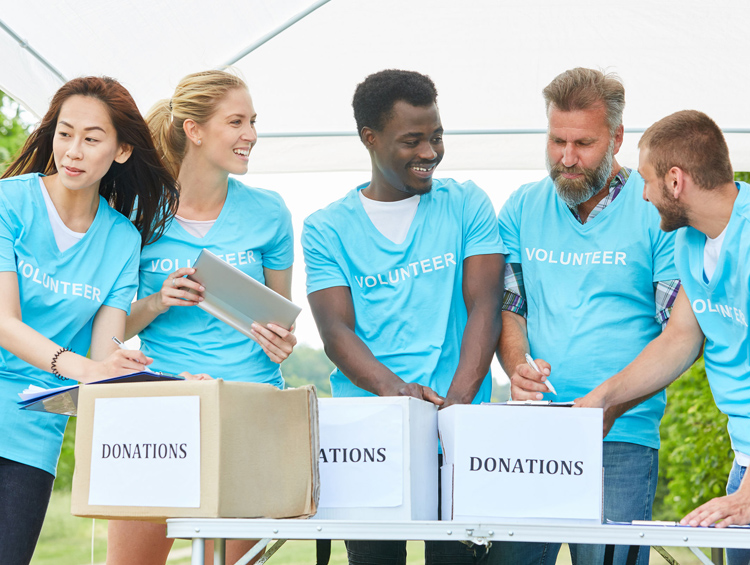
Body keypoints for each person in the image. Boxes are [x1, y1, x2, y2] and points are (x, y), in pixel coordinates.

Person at [302, 69, 505, 565]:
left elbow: (485, 305)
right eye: (412, 140)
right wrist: (398, 397)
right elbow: (335, 330)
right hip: (369, 431)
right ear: (369, 138)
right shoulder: (325, 228)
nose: (430, 152)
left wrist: (456, 407)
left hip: (458, 426)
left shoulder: (466, 204)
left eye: (436, 137)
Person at [106, 70, 297, 565]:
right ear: (193, 129)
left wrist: (283, 340)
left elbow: (281, 319)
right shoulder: (133, 211)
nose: (250, 135)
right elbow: (109, 332)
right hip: (161, 406)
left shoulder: (270, 213)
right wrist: (157, 300)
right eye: (236, 122)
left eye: (253, 122)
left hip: (249, 405)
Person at [492, 68, 680, 565]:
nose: (567, 158)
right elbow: (511, 307)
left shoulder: (656, 209)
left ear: (617, 138)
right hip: (534, 434)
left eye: (584, 143)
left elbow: (677, 334)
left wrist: (612, 400)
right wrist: (518, 367)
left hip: (622, 437)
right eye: (557, 141)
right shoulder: (521, 207)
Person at [0, 76, 179, 565]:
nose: (73, 151)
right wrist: (84, 368)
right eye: (64, 133)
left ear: (121, 151)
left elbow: (106, 355)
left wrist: (165, 382)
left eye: (91, 138)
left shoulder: (122, 240)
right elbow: (4, 322)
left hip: (32, 432)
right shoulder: (8, 203)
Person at [577, 110, 750, 565]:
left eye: (648, 181)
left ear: (675, 181)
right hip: (745, 461)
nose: (644, 193)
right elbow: (678, 341)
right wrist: (602, 400)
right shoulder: (688, 241)